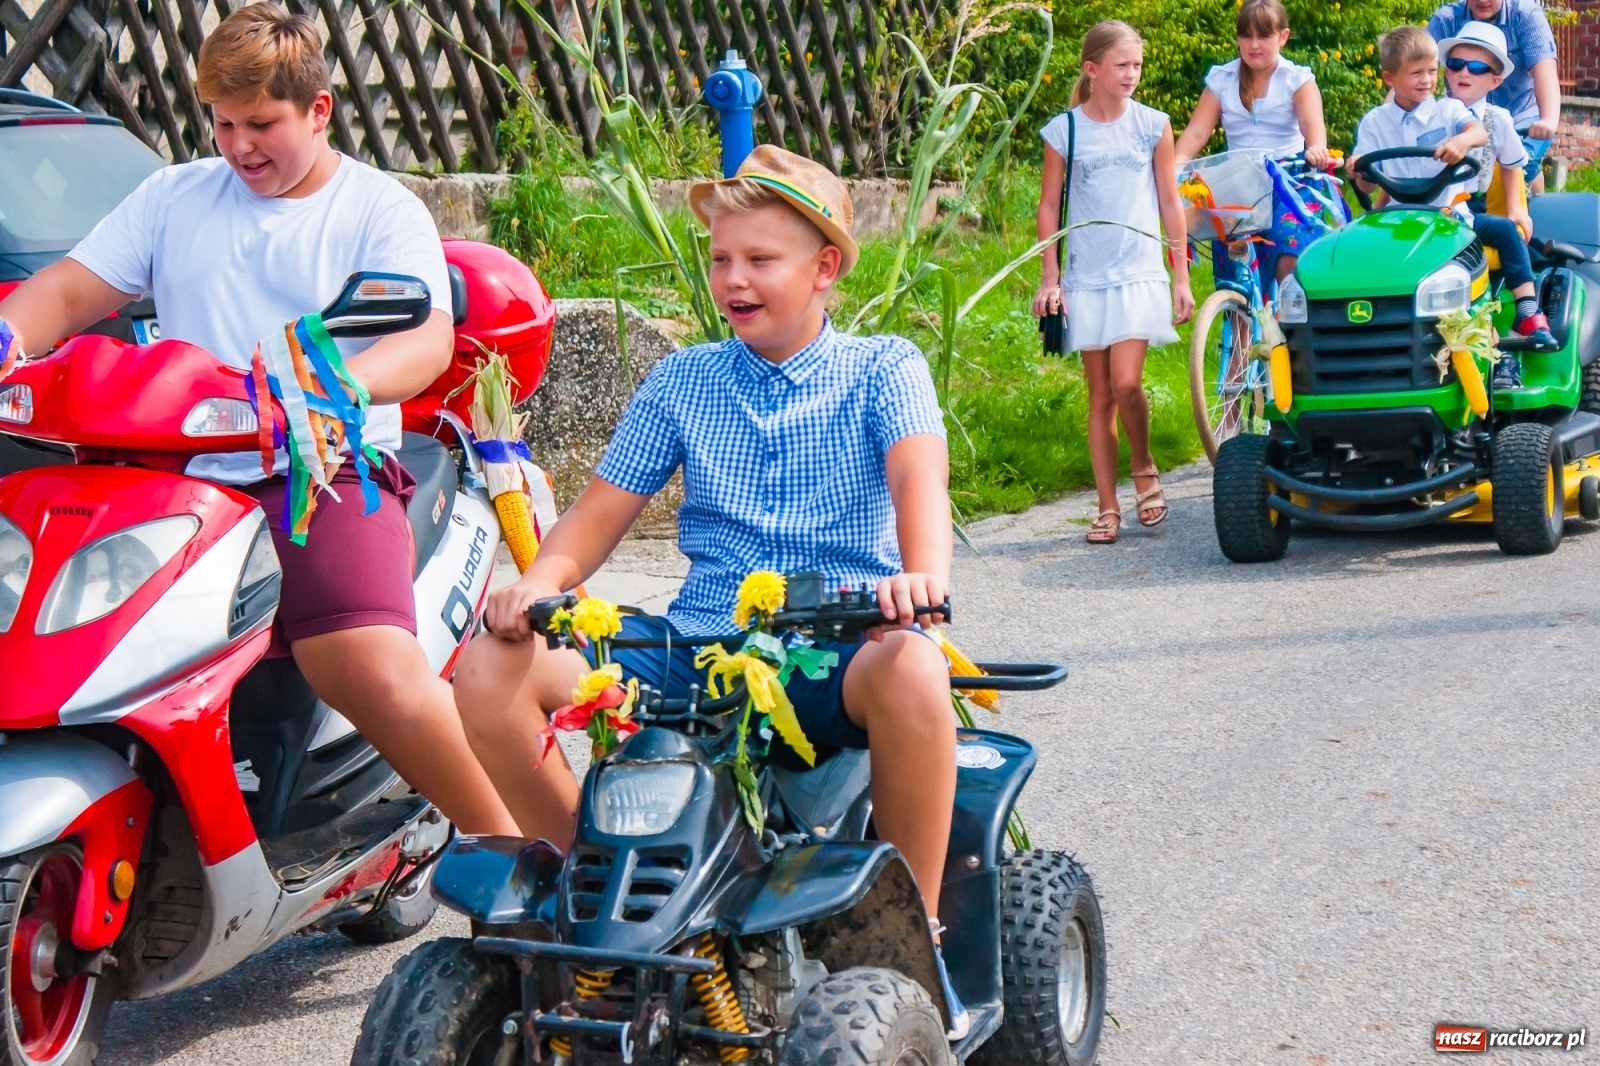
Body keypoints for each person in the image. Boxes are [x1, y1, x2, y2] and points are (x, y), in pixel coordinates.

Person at [451, 146, 975, 1038]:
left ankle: (906, 946)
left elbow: (918, 479)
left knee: (915, 671)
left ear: (825, 268)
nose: (733, 279)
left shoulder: (884, 369)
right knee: (488, 670)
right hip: (699, 645)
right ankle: (604, 906)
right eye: (721, 258)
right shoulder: (686, 378)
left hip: (831, 643)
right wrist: (538, 579)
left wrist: (919, 580)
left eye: (759, 261)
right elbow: (596, 514)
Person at [0, 5, 520, 837]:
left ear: (319, 112)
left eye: (263, 124)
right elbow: (64, 291)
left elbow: (423, 339)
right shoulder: (175, 195)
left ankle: (510, 846)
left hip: (319, 470)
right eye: (223, 122)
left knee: (366, 665)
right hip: (173, 474)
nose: (240, 146)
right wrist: (8, 336)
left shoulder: (378, 210)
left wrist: (334, 388)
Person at [1030, 20, 1194, 545]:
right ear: (1092, 69)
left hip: (1140, 270)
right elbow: (1048, 204)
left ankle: (1143, 465)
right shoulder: (1065, 131)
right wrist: (1049, 277)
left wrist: (1181, 276)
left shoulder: (1153, 125)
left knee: (1127, 383)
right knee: (1099, 395)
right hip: (1086, 277)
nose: (1132, 74)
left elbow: (1170, 201)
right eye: (1122, 65)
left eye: (1137, 65)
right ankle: (1106, 506)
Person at [1174, 0, 1331, 283]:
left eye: (1264, 36)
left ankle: (1289, 319)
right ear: (1237, 39)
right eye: (1246, 36)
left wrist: (1317, 147)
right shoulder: (1222, 79)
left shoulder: (1296, 79)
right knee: (1235, 262)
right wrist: (1174, 165)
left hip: (1290, 179)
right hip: (1239, 180)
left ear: (1283, 37)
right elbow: (1197, 132)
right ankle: (1238, 319)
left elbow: (1311, 123)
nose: (1254, 44)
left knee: (1290, 253)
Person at [1442, 19, 1558, 385]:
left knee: (1506, 231)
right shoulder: (1430, 115)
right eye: (1456, 65)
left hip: (1470, 210)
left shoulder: (1499, 119)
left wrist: (1517, 208)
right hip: (1432, 212)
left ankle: (1524, 313)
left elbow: (1512, 166)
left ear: (1494, 80)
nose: (1464, 73)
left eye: (1476, 68)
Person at [1350, 27, 1487, 219]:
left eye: (1432, 71)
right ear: (1389, 78)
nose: (1426, 80)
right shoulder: (1374, 122)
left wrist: (1462, 141)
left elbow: (1479, 133)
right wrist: (1360, 172)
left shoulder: (1449, 110)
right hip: (1398, 219)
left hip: (1449, 218)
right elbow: (1368, 186)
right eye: (1416, 73)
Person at [1427, 0, 1560, 191]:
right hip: (1464, 115)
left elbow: (1544, 69)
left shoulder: (1526, 16)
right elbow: (1413, 66)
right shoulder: (1447, 20)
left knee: (1521, 161)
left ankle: (1532, 211)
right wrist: (1392, 114)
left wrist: (1548, 120)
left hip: (1520, 114)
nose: (1482, 1)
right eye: (1457, 64)